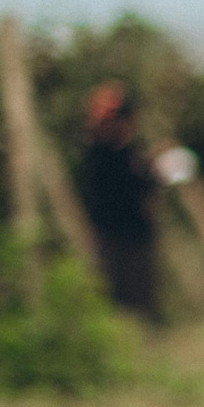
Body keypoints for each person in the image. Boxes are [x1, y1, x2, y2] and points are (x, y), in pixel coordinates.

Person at [75, 80, 161, 322]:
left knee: (134, 295)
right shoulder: (102, 153)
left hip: (131, 233)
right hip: (111, 232)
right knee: (116, 295)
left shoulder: (128, 154)